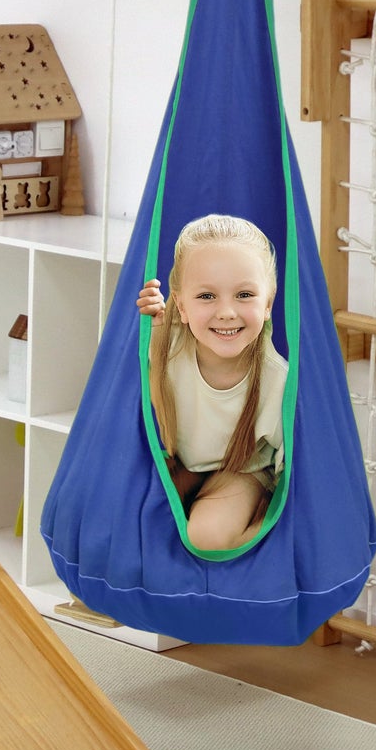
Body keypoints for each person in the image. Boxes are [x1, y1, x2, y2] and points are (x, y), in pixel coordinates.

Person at [136, 213, 288, 551]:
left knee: (206, 536)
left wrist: (283, 518)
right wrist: (149, 324)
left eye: (244, 294)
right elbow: (124, 376)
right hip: (184, 464)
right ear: (181, 306)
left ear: (268, 304)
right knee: (127, 513)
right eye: (207, 296)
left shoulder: (276, 379)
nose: (227, 312)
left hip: (243, 473)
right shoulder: (166, 346)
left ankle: (258, 531)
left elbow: (293, 469)